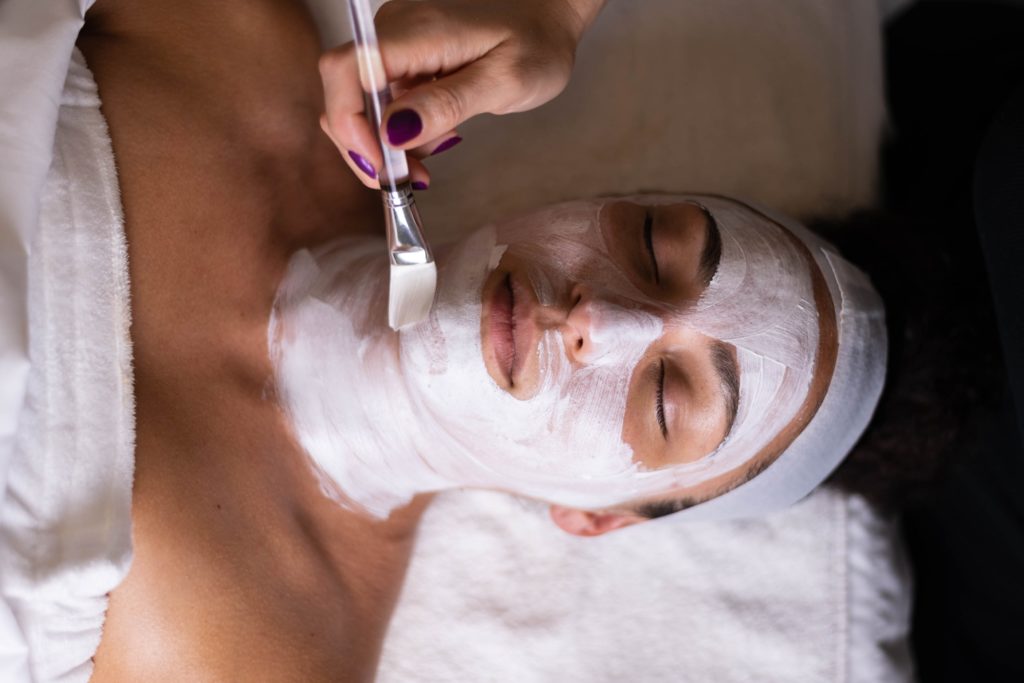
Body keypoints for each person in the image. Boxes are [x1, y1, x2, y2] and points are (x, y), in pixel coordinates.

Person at [0, 0, 886, 680]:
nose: (601, 319)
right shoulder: (258, 76)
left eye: (665, 396)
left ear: (595, 518)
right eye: (654, 245)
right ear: (600, 194)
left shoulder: (267, 648)